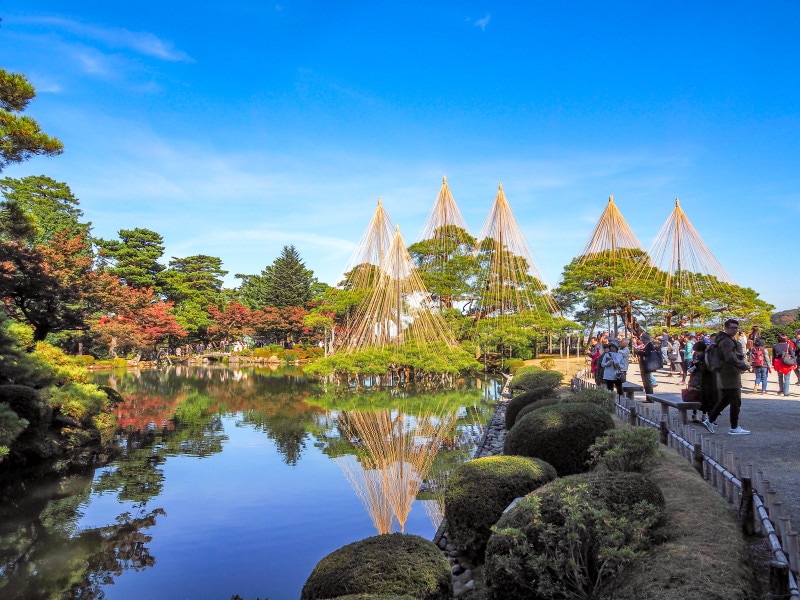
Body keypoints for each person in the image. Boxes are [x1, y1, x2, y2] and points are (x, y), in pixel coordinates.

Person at [702, 319, 752, 435]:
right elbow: (729, 357)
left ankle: (710, 420)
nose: (734, 330)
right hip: (729, 373)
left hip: (724, 372)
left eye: (736, 328)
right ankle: (733, 427)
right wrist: (743, 365)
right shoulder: (726, 341)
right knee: (735, 401)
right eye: (732, 328)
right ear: (726, 328)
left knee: (726, 399)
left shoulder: (722, 339)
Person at [687, 340, 717, 423]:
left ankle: (695, 415)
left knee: (695, 397)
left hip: (697, 380)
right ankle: (704, 415)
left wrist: (695, 366)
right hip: (706, 380)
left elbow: (690, 369)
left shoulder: (698, 357)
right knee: (704, 398)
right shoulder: (708, 356)